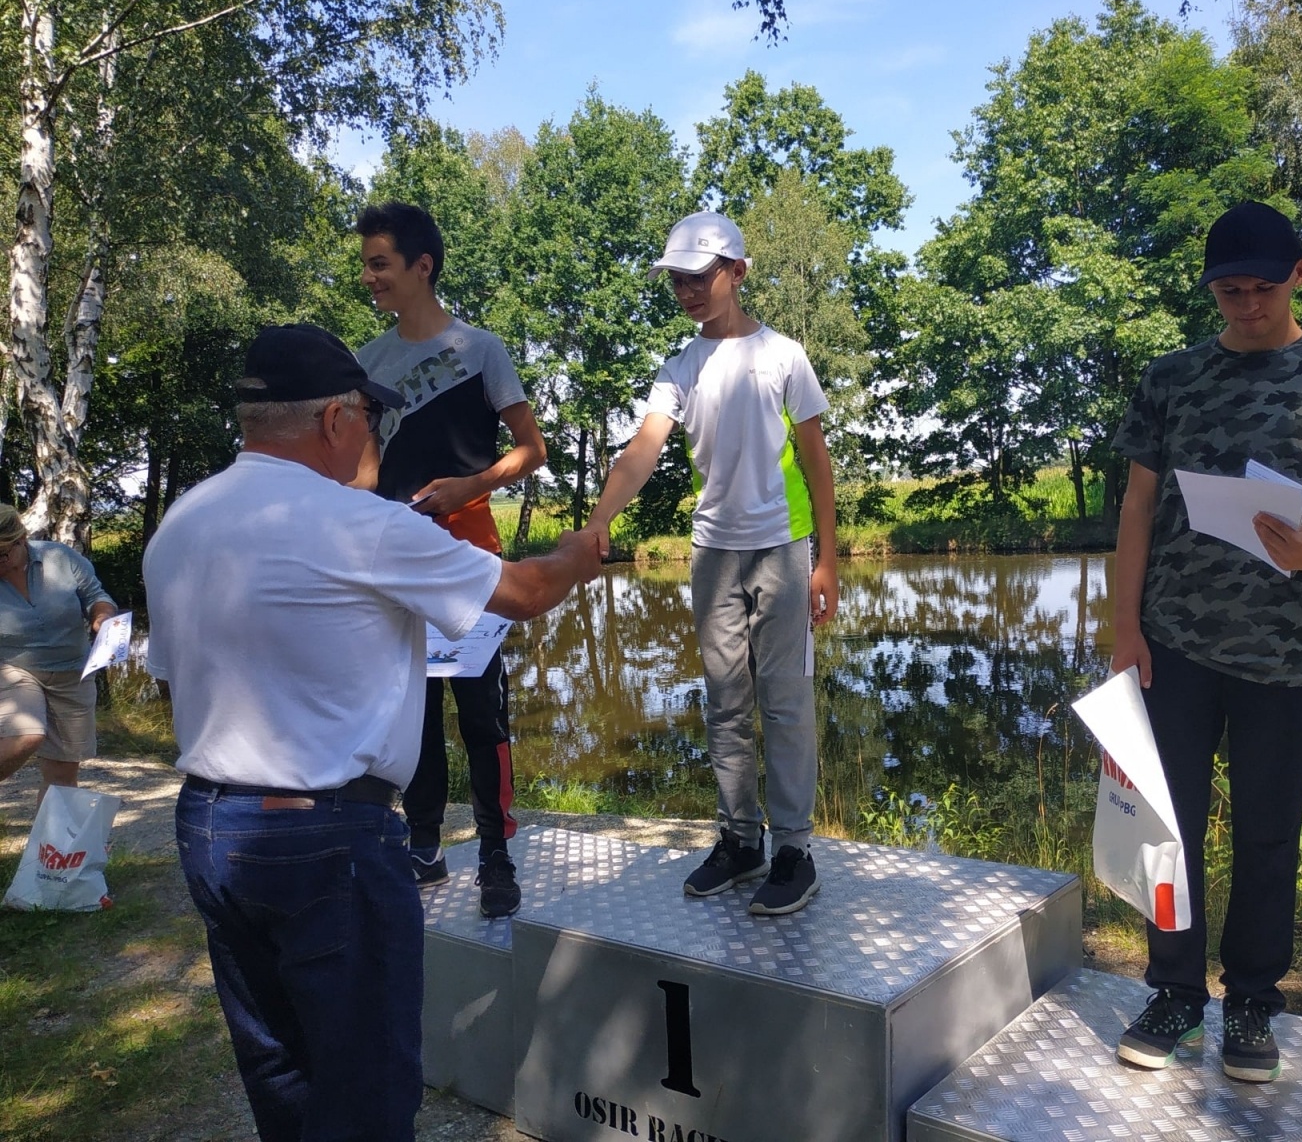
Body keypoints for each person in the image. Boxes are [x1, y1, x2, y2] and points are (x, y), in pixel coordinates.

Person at [144, 323, 600, 1142]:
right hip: (327, 839)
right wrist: (576, 552)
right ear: (333, 419)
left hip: (210, 828)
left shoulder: (182, 522)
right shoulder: (362, 525)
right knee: (367, 1091)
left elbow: (177, 677)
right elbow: (526, 593)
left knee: (282, 1071)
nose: (376, 435)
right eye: (370, 415)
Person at [1108, 200, 1302, 1083]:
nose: (1248, 305)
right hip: (1174, 644)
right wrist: (1125, 629)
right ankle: (1174, 992)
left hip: (1287, 653)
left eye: (1263, 288)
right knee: (1168, 829)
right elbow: (1138, 507)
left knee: (1269, 836)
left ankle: (1254, 1002)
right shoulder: (1172, 377)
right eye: (1229, 291)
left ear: (1298, 275)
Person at [581, 210, 839, 917]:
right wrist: (602, 518)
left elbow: (817, 461)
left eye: (699, 277)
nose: (687, 292)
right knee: (726, 703)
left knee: (784, 703)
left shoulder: (783, 355)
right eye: (677, 281)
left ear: (738, 272)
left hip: (783, 547)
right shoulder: (680, 368)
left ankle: (794, 851)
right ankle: (739, 840)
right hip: (712, 555)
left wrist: (827, 560)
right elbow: (643, 448)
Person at [353, 200, 548, 918]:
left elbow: (532, 450)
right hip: (396, 562)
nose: (369, 277)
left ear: (422, 265)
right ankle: (425, 846)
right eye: (366, 265)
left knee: (483, 718)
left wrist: (474, 485)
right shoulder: (366, 363)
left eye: (379, 263)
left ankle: (496, 856)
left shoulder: (481, 350)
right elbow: (362, 471)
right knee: (415, 716)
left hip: (472, 557)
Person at [0, 504, 118, 798]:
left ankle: (50, 832)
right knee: (25, 735)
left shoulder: (60, 557)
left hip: (73, 674)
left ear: (21, 539)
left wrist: (102, 618)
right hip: (13, 667)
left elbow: (97, 597)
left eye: (2, 554)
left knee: (61, 780)